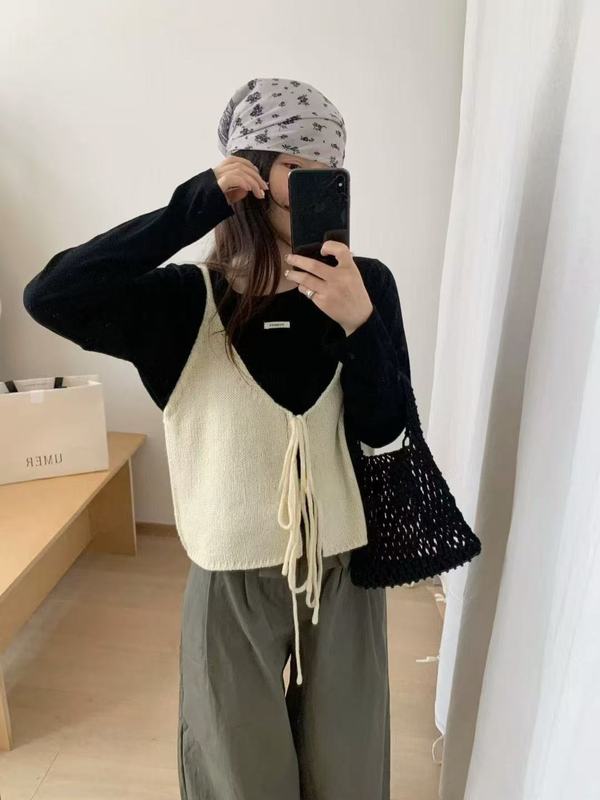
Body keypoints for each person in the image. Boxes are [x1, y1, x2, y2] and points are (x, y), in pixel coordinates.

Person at [22, 76, 412, 800]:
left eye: (331, 169)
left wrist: (359, 324)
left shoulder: (368, 287)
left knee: (351, 773)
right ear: (252, 174)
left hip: (344, 569)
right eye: (297, 166)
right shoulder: (183, 303)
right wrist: (196, 202)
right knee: (239, 776)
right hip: (231, 576)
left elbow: (387, 429)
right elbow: (51, 295)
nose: (317, 183)